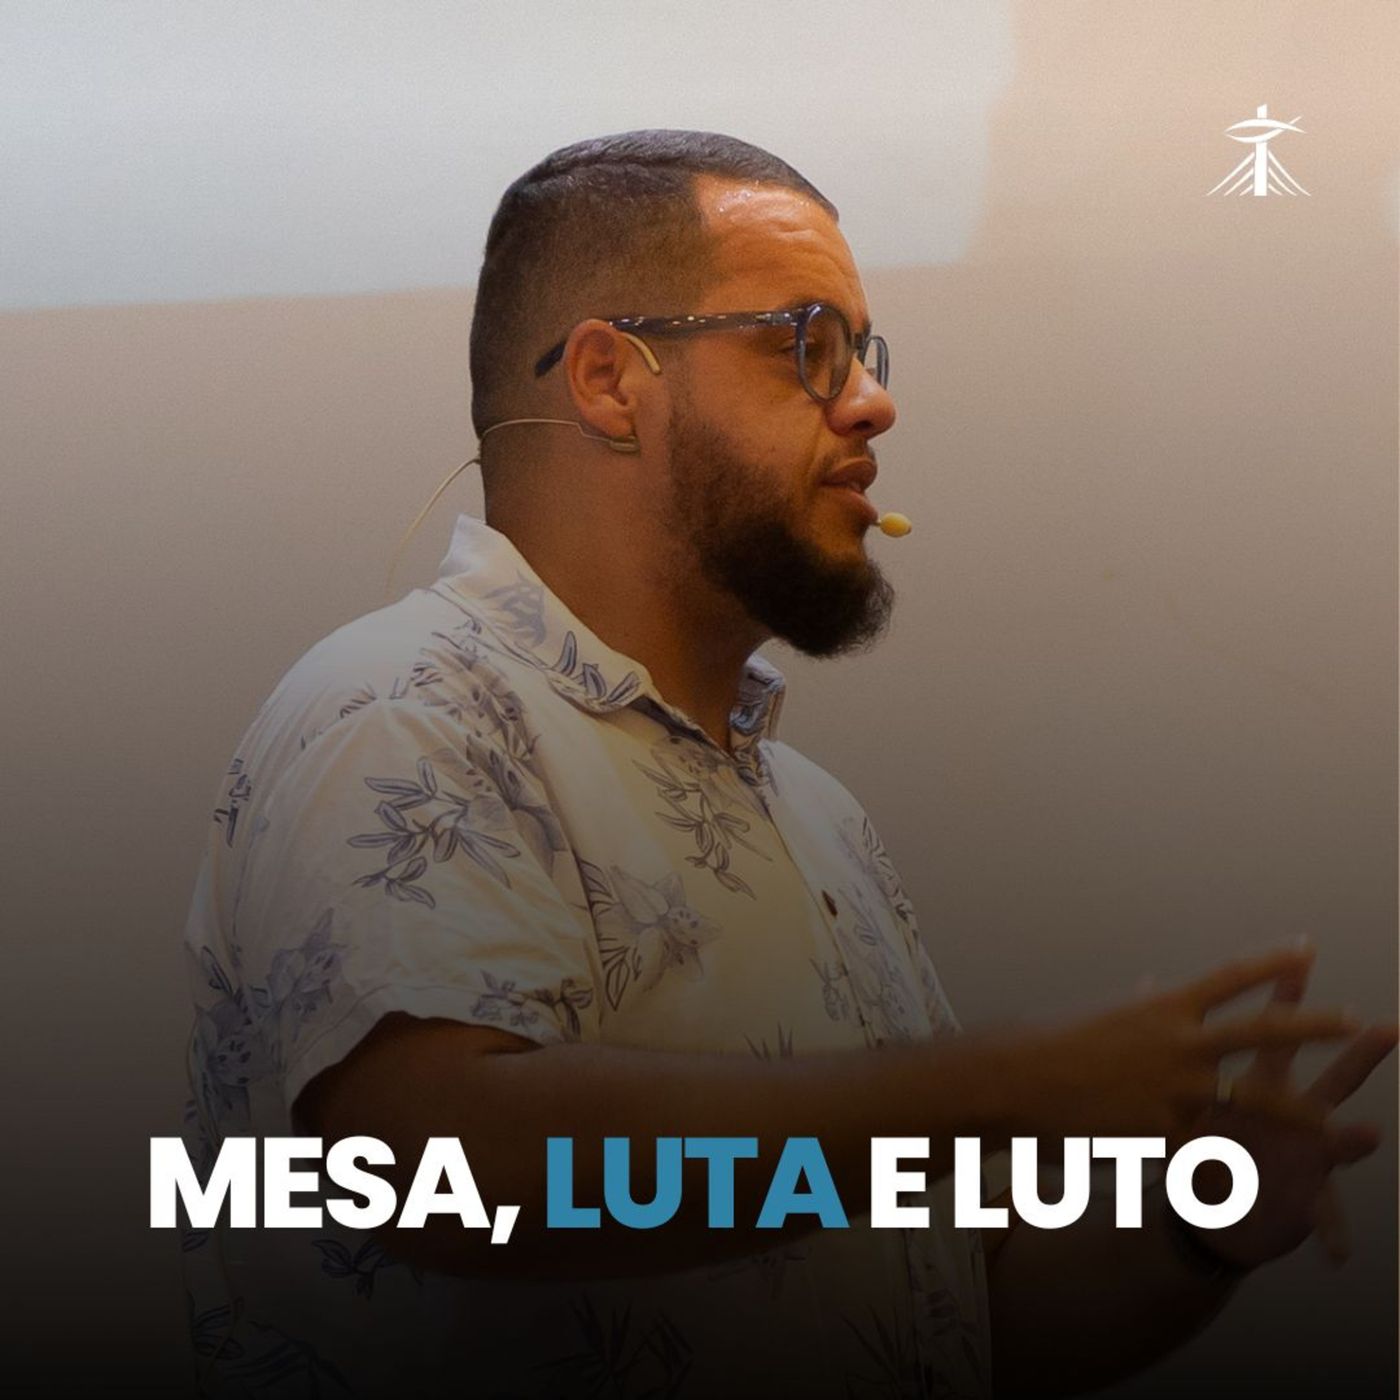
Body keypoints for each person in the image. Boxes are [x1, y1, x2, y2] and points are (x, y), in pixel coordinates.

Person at [178, 129, 1395, 1398]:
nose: (870, 403)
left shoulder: (816, 817)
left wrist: (1201, 1229)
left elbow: (952, 1311)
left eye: (863, 355)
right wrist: (1016, 1081)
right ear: (609, 379)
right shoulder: (400, 706)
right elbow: (438, 1170)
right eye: (805, 344)